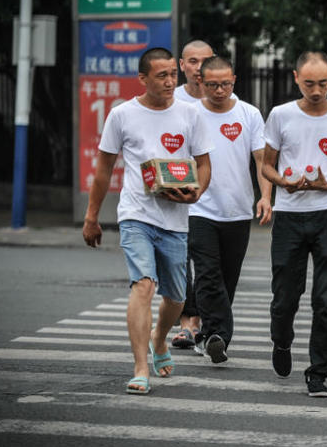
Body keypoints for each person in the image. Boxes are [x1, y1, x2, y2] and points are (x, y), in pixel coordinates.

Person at [82, 47, 212, 395]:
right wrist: (92, 217)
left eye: (173, 73)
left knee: (176, 297)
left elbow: (203, 164)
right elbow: (104, 168)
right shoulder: (122, 115)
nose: (171, 81)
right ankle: (140, 367)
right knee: (143, 285)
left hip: (176, 217)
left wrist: (196, 193)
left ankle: (159, 338)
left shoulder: (190, 114)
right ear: (143, 79)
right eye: (162, 75)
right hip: (136, 214)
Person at [260, 51, 327, 397]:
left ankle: (318, 371)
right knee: (285, 297)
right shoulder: (281, 115)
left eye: (323, 83)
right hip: (290, 215)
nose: (317, 90)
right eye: (309, 83)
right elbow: (266, 166)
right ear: (296, 78)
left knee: (324, 300)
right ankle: (282, 341)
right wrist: (282, 182)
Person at [188, 55, 273, 364]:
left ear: (234, 81)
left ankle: (209, 336)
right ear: (200, 83)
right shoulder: (190, 114)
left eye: (225, 84)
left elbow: (262, 160)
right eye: (212, 85)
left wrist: (265, 197)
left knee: (226, 279)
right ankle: (219, 335)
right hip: (199, 208)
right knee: (208, 274)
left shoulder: (248, 114)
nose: (220, 90)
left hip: (237, 210)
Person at [171, 39, 213, 348]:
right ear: (181, 65)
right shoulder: (169, 100)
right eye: (193, 61)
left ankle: (200, 322)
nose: (199, 68)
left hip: (216, 201)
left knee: (210, 266)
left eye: (205, 61)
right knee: (179, 263)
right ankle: (189, 323)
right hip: (178, 198)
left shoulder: (226, 99)